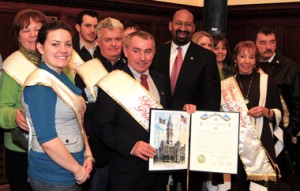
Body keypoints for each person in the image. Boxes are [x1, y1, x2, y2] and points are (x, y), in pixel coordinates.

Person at [151, 9, 221, 191]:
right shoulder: (156, 53)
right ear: (170, 25)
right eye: (179, 23)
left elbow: (213, 101)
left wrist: (197, 110)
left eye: (188, 24)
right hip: (159, 136)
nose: (183, 28)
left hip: (192, 136)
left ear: (193, 27)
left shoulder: (206, 58)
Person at [93, 30, 169, 191]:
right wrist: (131, 146)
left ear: (154, 53)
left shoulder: (160, 80)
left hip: (158, 173)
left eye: (148, 51)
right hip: (127, 172)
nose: (142, 58)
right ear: (126, 51)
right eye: (136, 51)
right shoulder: (113, 82)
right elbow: (103, 127)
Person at [22, 21, 94, 191]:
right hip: (53, 176)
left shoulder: (61, 77)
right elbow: (47, 140)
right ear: (40, 47)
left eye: (68, 44)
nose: (63, 50)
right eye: (55, 44)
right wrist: (78, 171)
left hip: (71, 169)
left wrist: (88, 156)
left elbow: (78, 122)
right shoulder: (40, 84)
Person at [220, 41, 284, 191]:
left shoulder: (267, 81)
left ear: (256, 60)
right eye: (243, 56)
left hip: (261, 143)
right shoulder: (225, 85)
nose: (247, 61)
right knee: (236, 185)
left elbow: (279, 113)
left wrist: (266, 112)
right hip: (234, 145)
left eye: (251, 57)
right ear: (235, 58)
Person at [74, 16, 126, 191]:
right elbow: (82, 112)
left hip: (125, 150)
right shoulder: (85, 71)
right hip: (98, 151)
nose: (113, 44)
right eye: (108, 40)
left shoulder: (130, 69)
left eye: (118, 39)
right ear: (98, 41)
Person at [0, 9, 47, 191]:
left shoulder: (54, 61)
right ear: (18, 36)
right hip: (22, 147)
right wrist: (15, 116)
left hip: (52, 146)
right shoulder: (13, 66)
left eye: (37, 28)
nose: (33, 34)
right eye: (26, 30)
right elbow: (2, 109)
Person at [254, 26, 300, 184]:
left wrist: (288, 133)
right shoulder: (248, 65)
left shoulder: (290, 67)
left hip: (281, 135)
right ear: (254, 44)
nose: (268, 47)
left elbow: (298, 104)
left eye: (272, 42)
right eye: (263, 42)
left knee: (280, 181)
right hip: (254, 135)